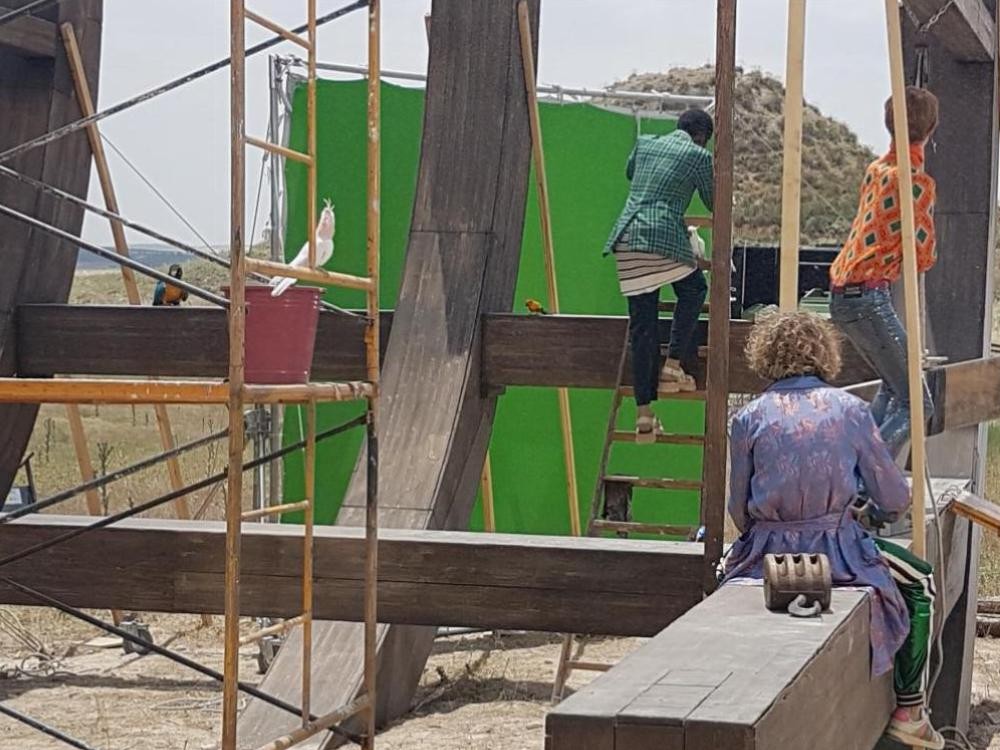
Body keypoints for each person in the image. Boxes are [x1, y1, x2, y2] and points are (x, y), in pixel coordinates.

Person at [722, 311, 942, 749]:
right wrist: (868, 510)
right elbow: (894, 497)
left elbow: (738, 508)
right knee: (922, 585)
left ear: (764, 356)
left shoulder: (747, 417)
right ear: (824, 353)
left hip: (767, 553)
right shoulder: (850, 410)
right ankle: (910, 709)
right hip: (836, 551)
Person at [829, 86, 940, 460]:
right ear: (931, 129)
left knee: (894, 387)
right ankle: (865, 477)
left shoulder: (876, 170)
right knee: (917, 404)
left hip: (845, 292)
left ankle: (855, 466)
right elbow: (922, 255)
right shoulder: (916, 182)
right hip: (869, 296)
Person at [604, 108, 714, 443]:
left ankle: (644, 413)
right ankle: (672, 365)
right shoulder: (699, 156)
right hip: (661, 235)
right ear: (702, 138)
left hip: (627, 239)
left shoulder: (645, 142)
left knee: (643, 326)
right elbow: (715, 202)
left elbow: (631, 172)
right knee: (694, 289)